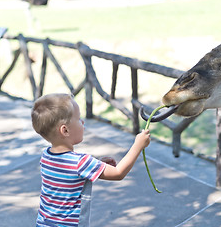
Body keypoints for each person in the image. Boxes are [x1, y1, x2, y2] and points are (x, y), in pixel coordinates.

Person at [31, 93, 151, 227]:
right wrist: (138, 145)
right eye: (78, 119)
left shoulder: (46, 156)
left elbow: (69, 176)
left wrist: (99, 163)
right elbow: (118, 173)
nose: (82, 122)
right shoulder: (81, 162)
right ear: (65, 131)